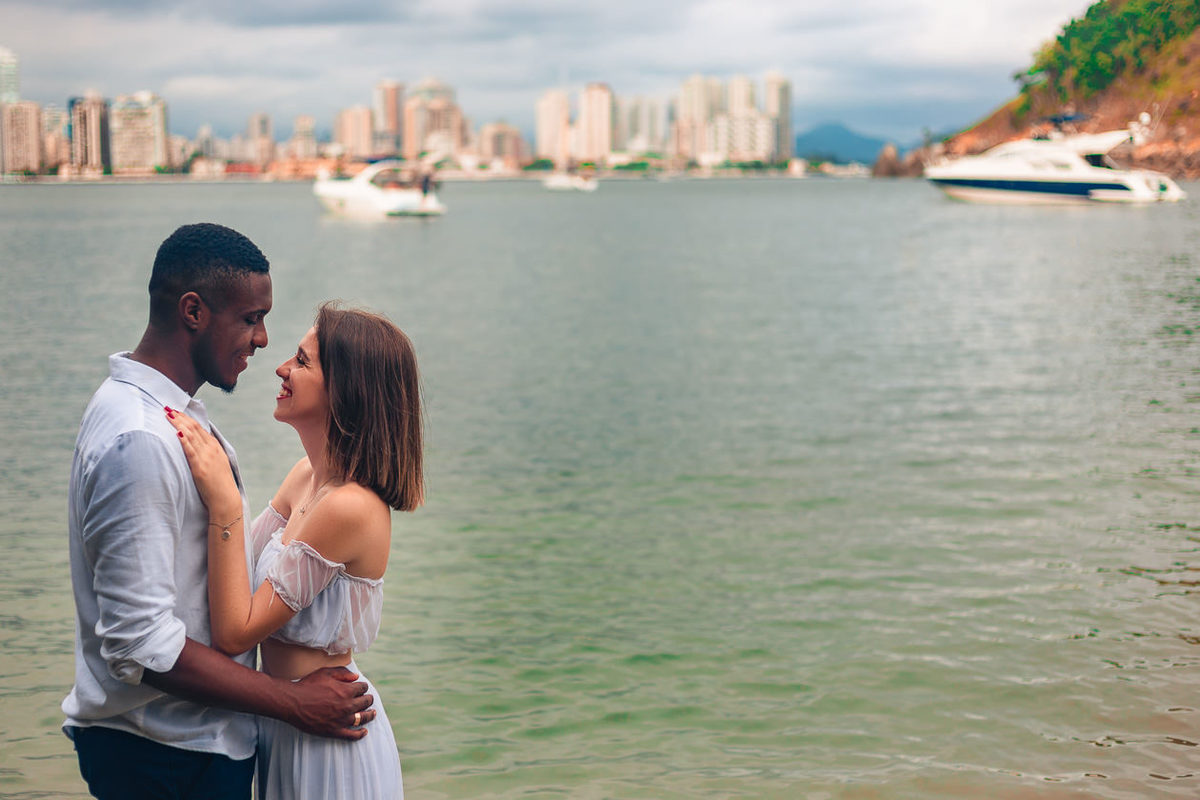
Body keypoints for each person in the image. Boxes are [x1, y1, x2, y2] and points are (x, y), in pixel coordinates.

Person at [64, 223, 376, 800]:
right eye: (250, 317)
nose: (262, 340)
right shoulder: (141, 439)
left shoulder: (169, 416)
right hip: (163, 756)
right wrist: (293, 704)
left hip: (188, 748)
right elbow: (140, 643)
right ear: (193, 311)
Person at [165, 302, 423, 799]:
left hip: (329, 741)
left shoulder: (349, 508)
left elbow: (237, 630)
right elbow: (238, 572)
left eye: (303, 362)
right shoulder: (305, 478)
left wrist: (225, 502)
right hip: (286, 722)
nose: (282, 368)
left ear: (346, 390)